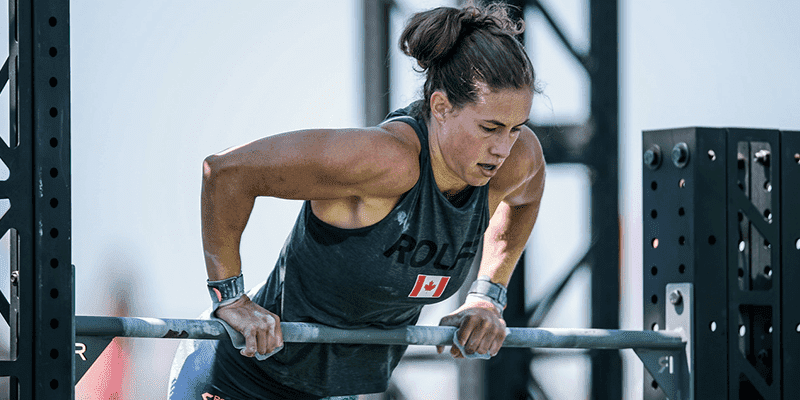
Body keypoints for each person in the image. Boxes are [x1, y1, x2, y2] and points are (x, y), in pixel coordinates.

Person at [169, 3, 545, 399]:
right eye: (490, 128)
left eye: (516, 129)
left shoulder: (514, 161)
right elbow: (226, 172)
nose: (503, 147)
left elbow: (529, 192)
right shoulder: (386, 161)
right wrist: (230, 298)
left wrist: (488, 296)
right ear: (441, 107)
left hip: (336, 391)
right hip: (241, 380)